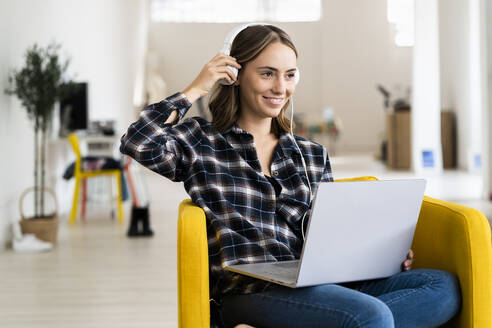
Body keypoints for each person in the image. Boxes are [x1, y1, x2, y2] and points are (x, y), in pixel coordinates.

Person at [120, 24, 461, 328]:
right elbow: (137, 142)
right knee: (371, 316)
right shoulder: (199, 140)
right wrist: (197, 87)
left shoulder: (311, 154)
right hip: (249, 291)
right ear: (234, 74)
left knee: (443, 288)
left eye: (290, 74)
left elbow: (326, 234)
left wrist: (377, 252)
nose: (280, 87)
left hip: (316, 286)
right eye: (267, 73)